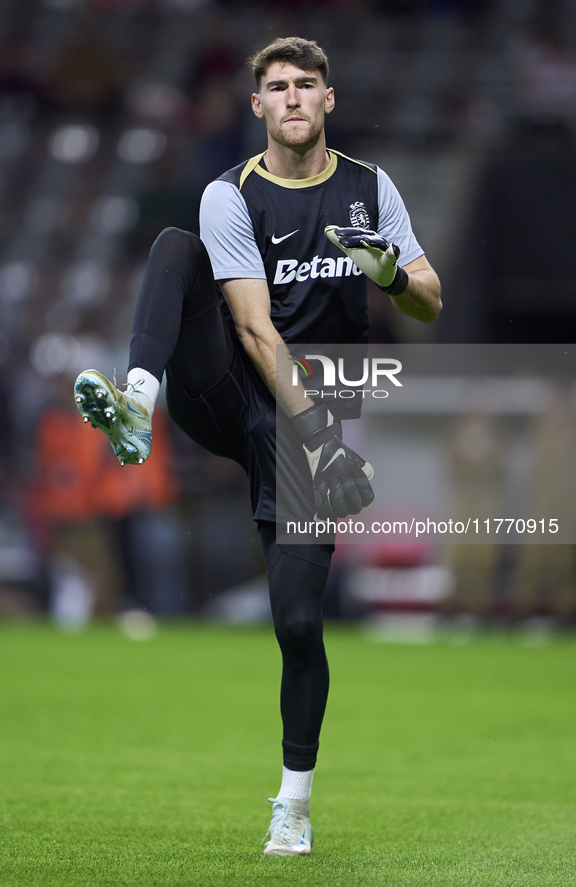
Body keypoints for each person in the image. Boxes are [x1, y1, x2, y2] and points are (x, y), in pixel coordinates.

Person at [73, 37, 441, 855]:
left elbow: (429, 302)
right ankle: (136, 400)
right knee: (175, 247)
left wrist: (387, 274)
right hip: (233, 391)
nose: (293, 97)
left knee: (299, 622)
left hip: (317, 408)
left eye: (306, 84)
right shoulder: (228, 193)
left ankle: (293, 803)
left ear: (329, 99)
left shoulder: (370, 189)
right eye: (276, 87)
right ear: (257, 107)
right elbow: (249, 324)